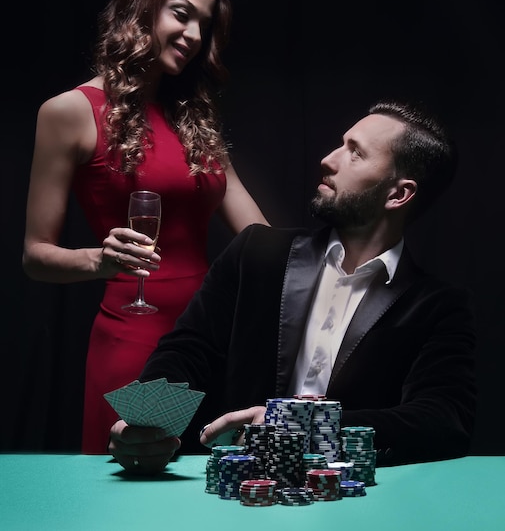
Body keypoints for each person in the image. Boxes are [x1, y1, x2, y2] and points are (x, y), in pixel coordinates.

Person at [108, 100, 477, 475]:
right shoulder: (256, 252)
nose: (329, 160)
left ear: (398, 194)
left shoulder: (438, 307)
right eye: (341, 144)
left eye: (355, 154)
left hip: (352, 503)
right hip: (234, 495)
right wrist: (147, 421)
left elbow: (442, 420)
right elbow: (188, 351)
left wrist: (299, 426)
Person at [22, 0, 270, 455]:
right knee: (133, 498)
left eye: (204, 24)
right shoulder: (69, 112)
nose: (195, 36)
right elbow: (35, 256)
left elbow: (259, 239)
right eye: (182, 14)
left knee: (209, 498)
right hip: (138, 340)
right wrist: (102, 259)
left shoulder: (194, 120)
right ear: (141, 7)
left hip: (208, 341)